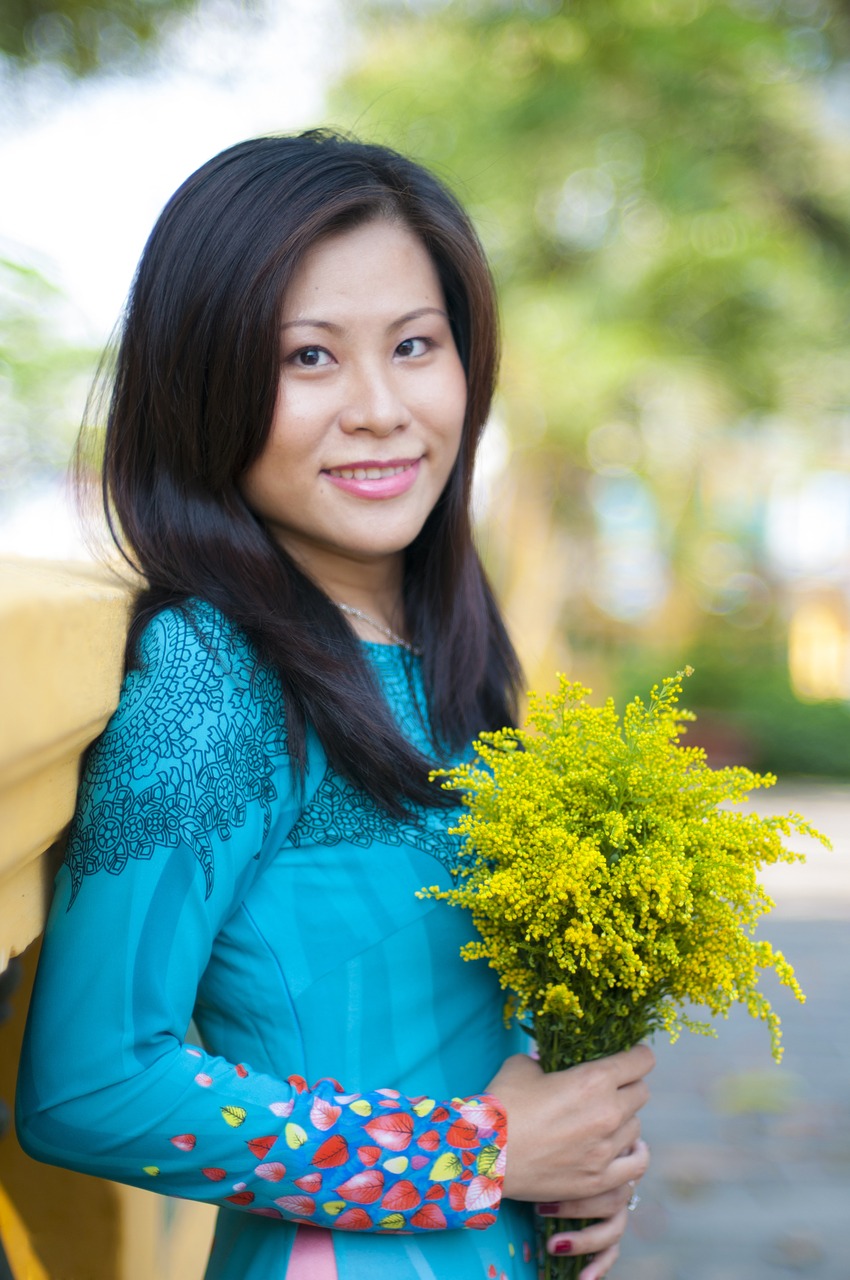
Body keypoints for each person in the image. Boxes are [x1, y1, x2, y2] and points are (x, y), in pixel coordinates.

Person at [16, 132, 653, 1280]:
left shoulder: (446, 642)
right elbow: (91, 1081)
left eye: (414, 345)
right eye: (308, 358)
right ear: (204, 382)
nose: (377, 407)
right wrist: (482, 1152)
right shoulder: (213, 677)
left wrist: (574, 1156)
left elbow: (446, 1015)